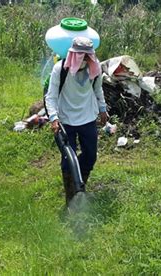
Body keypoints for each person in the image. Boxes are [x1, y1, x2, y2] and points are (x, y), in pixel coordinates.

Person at [45, 36, 108, 204]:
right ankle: (70, 197)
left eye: (88, 56)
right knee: (68, 159)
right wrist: (53, 118)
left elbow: (98, 89)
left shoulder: (95, 68)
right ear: (74, 55)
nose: (85, 59)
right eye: (81, 56)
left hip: (88, 118)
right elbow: (50, 97)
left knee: (90, 155)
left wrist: (103, 109)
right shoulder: (61, 69)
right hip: (66, 119)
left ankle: (80, 184)